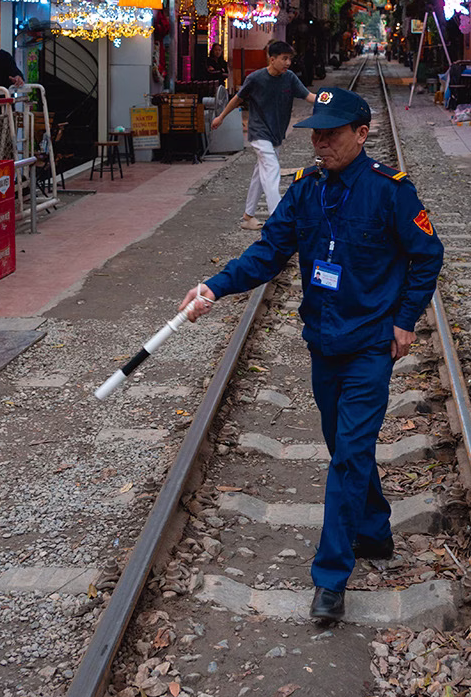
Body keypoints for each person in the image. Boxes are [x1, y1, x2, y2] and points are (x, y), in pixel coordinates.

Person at [179, 87, 445, 623]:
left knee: (348, 453)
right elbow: (268, 253)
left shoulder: (389, 192)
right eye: (316, 134)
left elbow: (427, 255)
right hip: (323, 343)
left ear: (362, 135)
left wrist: (404, 321)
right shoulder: (305, 191)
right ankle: (373, 530)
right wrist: (214, 287)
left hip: (370, 344)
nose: (320, 144)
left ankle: (330, 579)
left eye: (331, 134)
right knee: (340, 443)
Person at [211, 39, 315, 228]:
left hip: (276, 134)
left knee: (260, 174)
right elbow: (237, 99)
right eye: (284, 59)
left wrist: (329, 100)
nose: (288, 63)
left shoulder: (290, 78)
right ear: (272, 59)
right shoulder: (256, 78)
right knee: (272, 170)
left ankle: (248, 217)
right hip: (259, 132)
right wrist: (221, 117)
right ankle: (278, 221)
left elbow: (308, 96)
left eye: (289, 59)